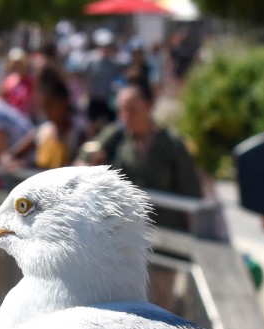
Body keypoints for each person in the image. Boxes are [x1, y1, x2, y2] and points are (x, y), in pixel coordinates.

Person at [82, 79, 203, 228]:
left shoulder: (172, 144)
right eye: (122, 111)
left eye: (132, 110)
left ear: (150, 106)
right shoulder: (115, 138)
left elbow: (191, 198)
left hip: (169, 235)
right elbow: (83, 160)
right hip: (128, 236)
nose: (126, 117)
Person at [0, 48, 36, 119]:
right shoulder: (8, 80)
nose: (17, 66)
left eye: (20, 63)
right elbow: (2, 98)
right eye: (15, 64)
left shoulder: (32, 81)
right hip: (10, 118)